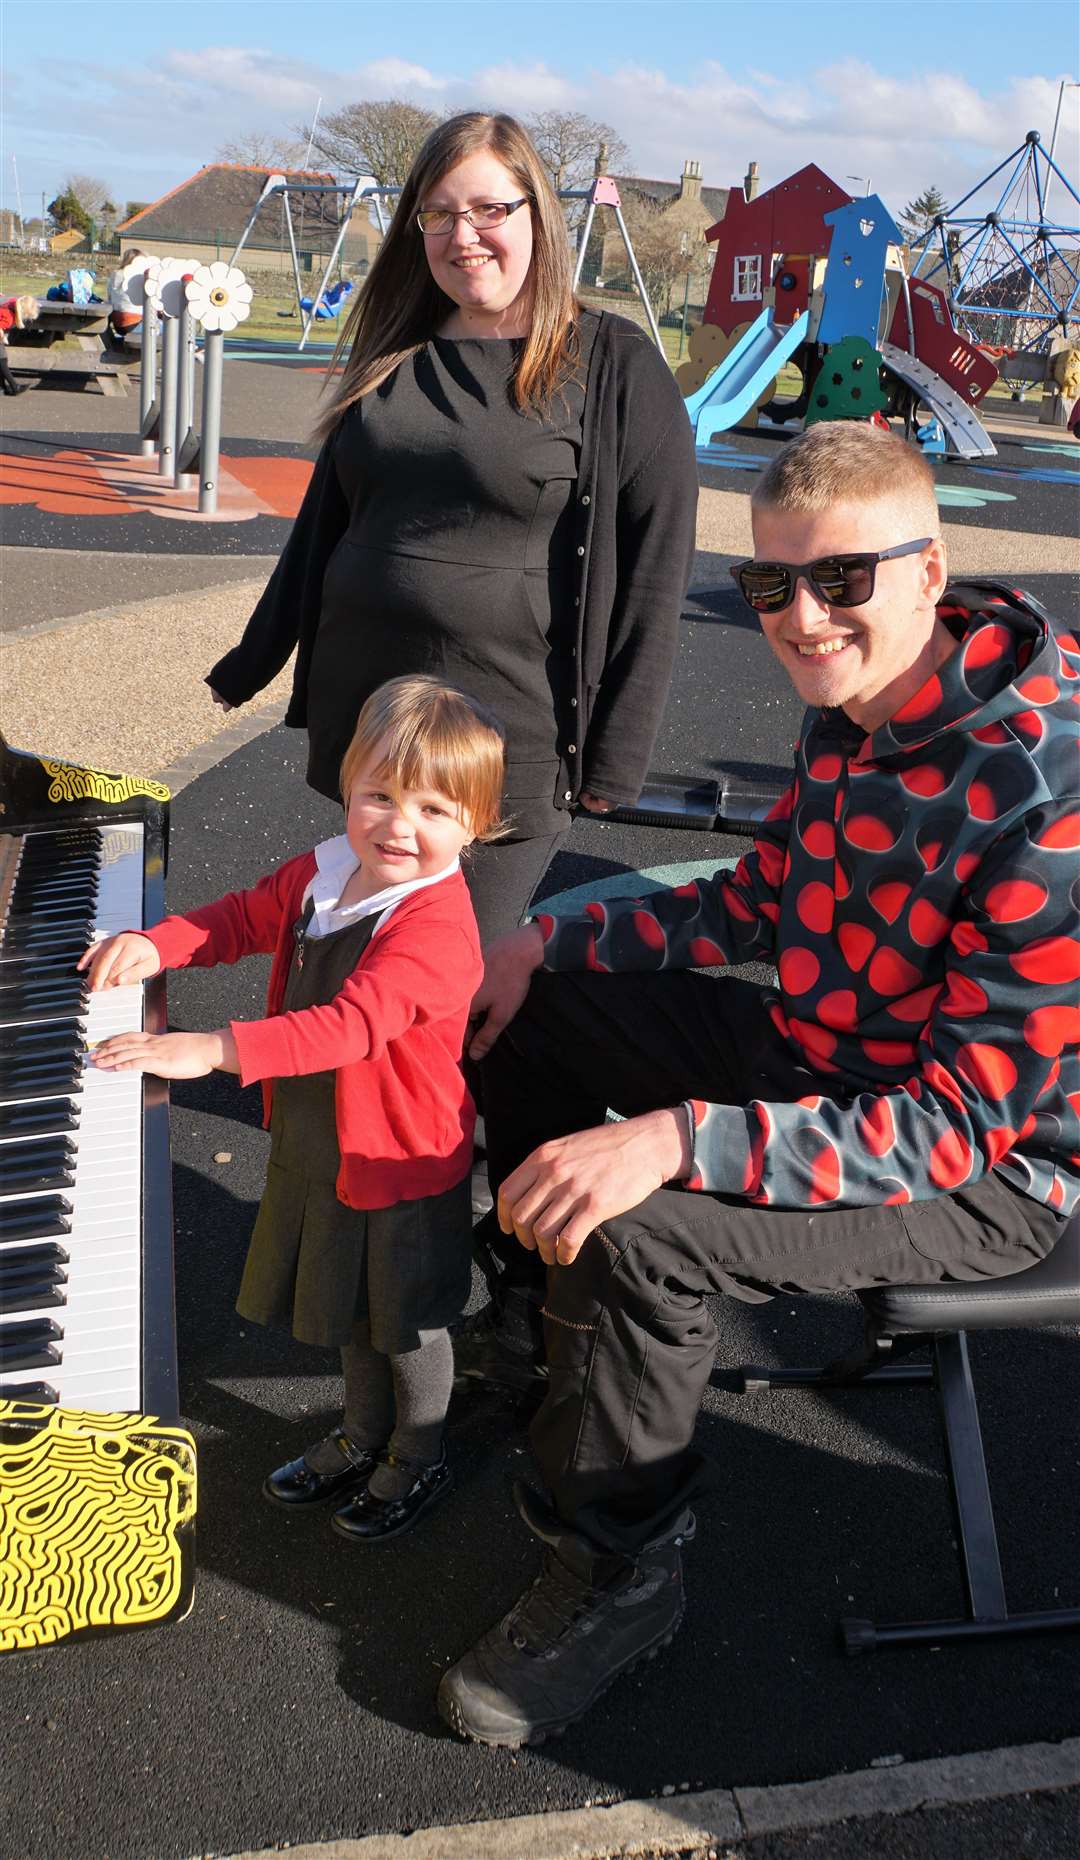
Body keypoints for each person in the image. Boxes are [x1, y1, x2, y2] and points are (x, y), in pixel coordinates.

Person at [434, 421, 1080, 1745]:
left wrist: (680, 1139)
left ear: (931, 569)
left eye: (841, 579)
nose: (802, 617)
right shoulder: (860, 705)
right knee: (530, 1015)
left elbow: (953, 1129)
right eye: (769, 588)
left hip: (986, 1171)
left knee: (643, 1226)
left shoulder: (1043, 803)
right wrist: (544, 936)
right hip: (822, 1063)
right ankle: (545, 1341)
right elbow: (763, 900)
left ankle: (618, 1569)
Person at [205, 107, 698, 1388]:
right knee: (360, 1012)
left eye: (492, 209)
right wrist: (259, 663)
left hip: (493, 765)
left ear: (539, 215)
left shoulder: (606, 364)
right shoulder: (396, 351)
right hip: (371, 744)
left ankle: (466, 1304)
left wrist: (612, 769)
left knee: (435, 1030)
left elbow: (652, 571)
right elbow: (328, 530)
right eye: (441, 214)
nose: (466, 235)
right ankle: (412, 1275)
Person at [82, 676, 509, 1544]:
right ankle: (362, 1431)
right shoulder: (329, 870)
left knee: (405, 1320)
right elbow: (243, 918)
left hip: (397, 1155)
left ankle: (417, 1449)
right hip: (321, 1138)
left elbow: (354, 1026)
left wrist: (211, 1049)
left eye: (433, 808)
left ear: (476, 824)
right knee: (345, 1301)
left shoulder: (435, 926)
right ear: (348, 789)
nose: (398, 825)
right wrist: (157, 944)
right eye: (379, 795)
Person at [107, 249, 149, 349]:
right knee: (171, 328)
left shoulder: (115, 275)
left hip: (118, 325)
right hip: (136, 324)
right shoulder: (139, 277)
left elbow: (110, 297)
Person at [0, 294, 38, 396]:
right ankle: (14, 387)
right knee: (1, 362)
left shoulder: (13, 302)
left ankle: (2, 386)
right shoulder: (9, 317)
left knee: (3, 360)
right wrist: (3, 338)